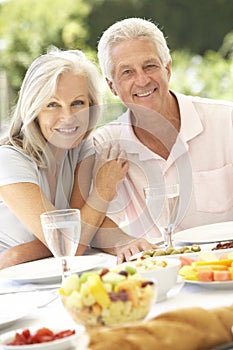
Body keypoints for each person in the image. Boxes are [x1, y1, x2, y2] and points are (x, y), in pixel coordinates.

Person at [92, 17, 233, 251]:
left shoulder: (227, 121)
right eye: (127, 72)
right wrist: (121, 241)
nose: (142, 80)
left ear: (167, 68)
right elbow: (94, 223)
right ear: (112, 86)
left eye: (150, 66)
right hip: (156, 274)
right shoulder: (106, 144)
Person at [0, 47, 131, 269]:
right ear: (33, 110)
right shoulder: (8, 160)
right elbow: (70, 242)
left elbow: (84, 227)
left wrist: (127, 242)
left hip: (50, 273)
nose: (69, 118)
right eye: (52, 105)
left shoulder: (81, 147)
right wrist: (104, 189)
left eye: (78, 103)